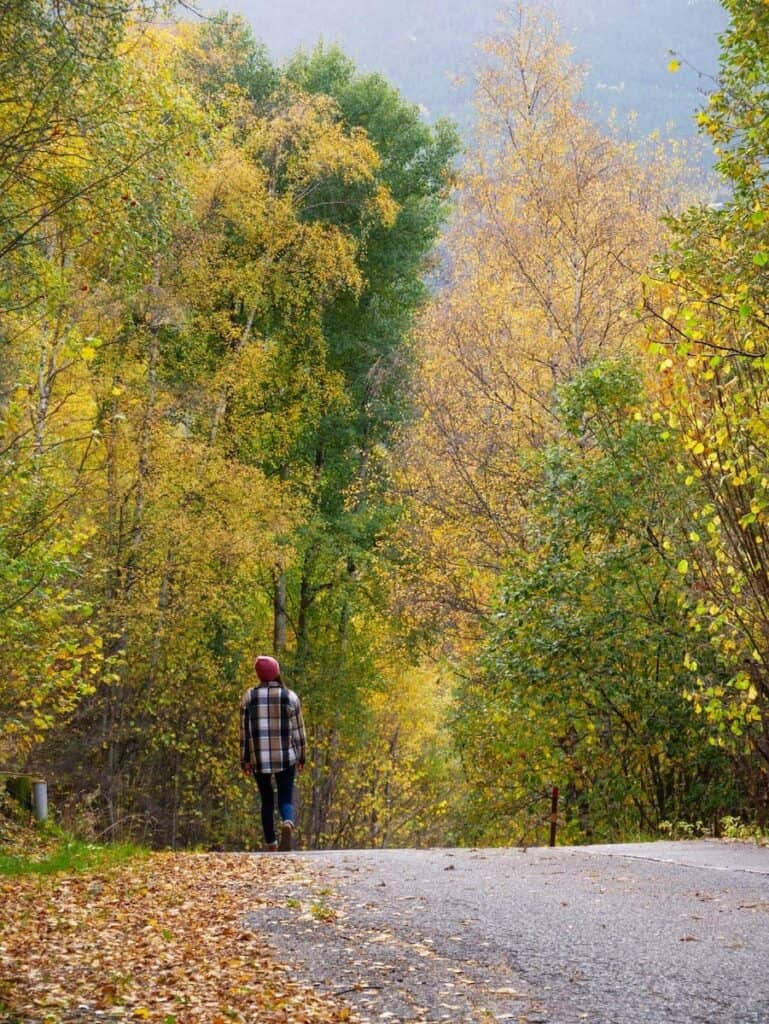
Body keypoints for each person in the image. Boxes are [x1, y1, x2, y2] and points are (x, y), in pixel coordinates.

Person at [240, 654, 307, 852]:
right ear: (277, 672)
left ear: (258, 675)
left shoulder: (249, 697)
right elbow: (299, 730)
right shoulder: (289, 696)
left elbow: (244, 732)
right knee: (285, 797)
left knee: (266, 800)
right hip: (286, 757)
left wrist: (244, 760)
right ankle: (287, 821)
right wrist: (302, 755)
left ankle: (271, 844)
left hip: (259, 757)